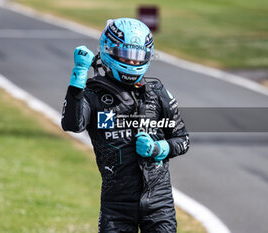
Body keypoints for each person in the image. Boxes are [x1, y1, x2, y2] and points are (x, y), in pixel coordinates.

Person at [62, 17, 189, 233]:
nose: (133, 63)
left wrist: (158, 148)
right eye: (127, 56)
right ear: (109, 51)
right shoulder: (93, 94)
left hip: (159, 202)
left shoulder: (157, 93)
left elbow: (183, 140)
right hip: (117, 204)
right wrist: (78, 77)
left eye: (138, 57)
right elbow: (72, 124)